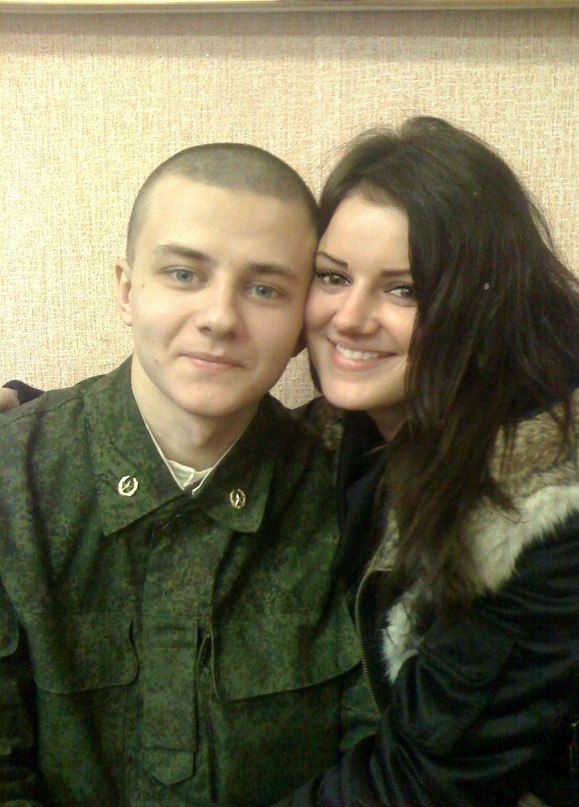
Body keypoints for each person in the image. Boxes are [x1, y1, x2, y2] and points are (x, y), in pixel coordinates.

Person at [0, 143, 378, 806]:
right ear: (127, 290)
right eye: (183, 274)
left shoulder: (346, 491)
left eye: (265, 289)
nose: (220, 318)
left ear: (302, 325)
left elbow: (375, 757)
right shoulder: (15, 486)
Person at [286, 116, 579, 806]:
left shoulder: (555, 506)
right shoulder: (363, 427)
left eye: (403, 289)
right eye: (332, 276)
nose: (350, 317)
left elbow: (424, 785)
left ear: (483, 301)